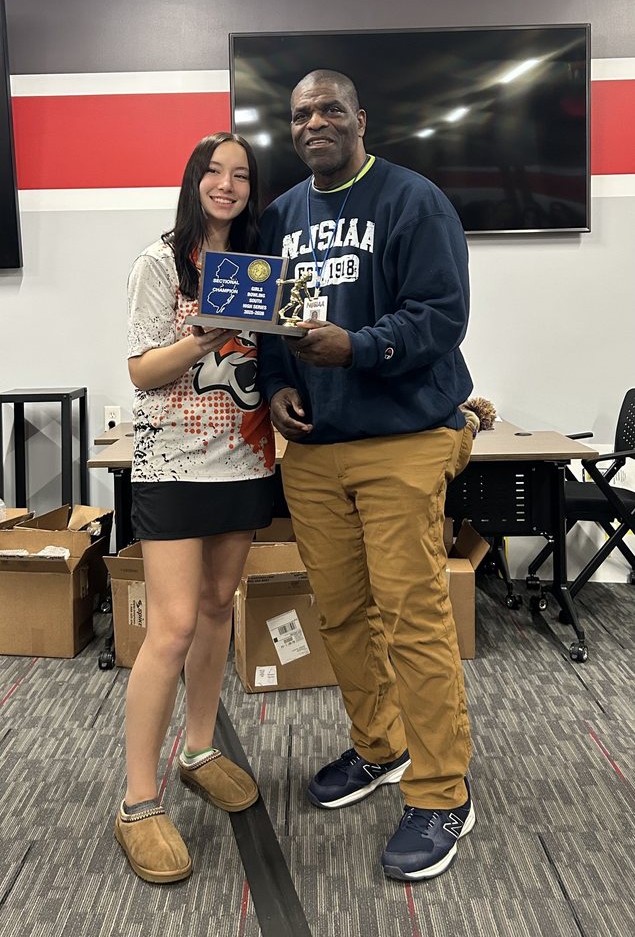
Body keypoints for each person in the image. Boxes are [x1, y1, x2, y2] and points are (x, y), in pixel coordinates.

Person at [258, 70, 476, 882]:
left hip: (402, 438)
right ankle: (379, 748)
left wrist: (358, 347)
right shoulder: (280, 215)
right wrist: (280, 381)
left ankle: (441, 790)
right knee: (344, 613)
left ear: (358, 118)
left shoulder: (411, 201)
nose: (313, 121)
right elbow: (270, 327)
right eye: (299, 114)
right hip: (315, 451)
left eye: (327, 110)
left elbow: (440, 313)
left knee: (412, 614)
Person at [116, 132, 275, 884]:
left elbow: (273, 351)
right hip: (173, 465)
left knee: (218, 608)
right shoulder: (160, 261)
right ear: (193, 180)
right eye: (214, 171)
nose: (227, 184)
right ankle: (136, 802)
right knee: (172, 625)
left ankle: (200, 749)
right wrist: (202, 336)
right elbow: (143, 370)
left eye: (241, 175)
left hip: (245, 456)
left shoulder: (261, 267)